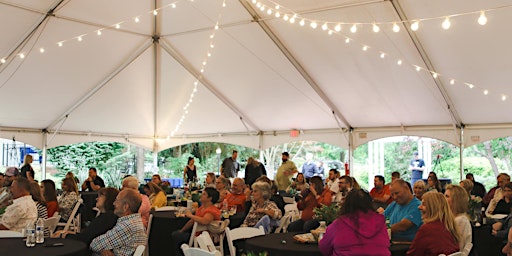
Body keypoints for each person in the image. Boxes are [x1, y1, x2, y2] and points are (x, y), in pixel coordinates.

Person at [320, 189, 390, 256]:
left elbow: (325, 249)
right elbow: (386, 244)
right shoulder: (380, 222)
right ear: (370, 203)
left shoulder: (338, 224)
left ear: (346, 204)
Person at [54, 187, 119, 246]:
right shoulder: (106, 216)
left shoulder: (106, 218)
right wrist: (69, 233)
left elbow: (85, 239)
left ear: (109, 198)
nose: (96, 199)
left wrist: (63, 235)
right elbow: (88, 235)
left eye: (100, 196)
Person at [90, 189, 146, 256]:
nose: (114, 203)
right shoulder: (135, 221)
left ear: (125, 207)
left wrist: (103, 248)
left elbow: (94, 245)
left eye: (117, 201)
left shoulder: (126, 226)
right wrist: (105, 249)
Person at [407, 191, 459, 256]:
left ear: (432, 208)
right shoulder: (449, 226)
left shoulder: (427, 229)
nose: (419, 207)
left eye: (423, 204)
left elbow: (413, 254)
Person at [171, 188, 221, 256]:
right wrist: (182, 230)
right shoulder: (202, 208)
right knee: (177, 234)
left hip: (204, 239)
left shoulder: (211, 210)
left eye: (204, 194)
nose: (201, 195)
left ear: (210, 198)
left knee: (176, 236)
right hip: (197, 235)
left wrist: (190, 215)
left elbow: (205, 221)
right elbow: (192, 221)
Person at [445, 184, 472, 256]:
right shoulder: (450, 218)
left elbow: (459, 248)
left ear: (456, 200)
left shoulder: (461, 220)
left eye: (447, 196)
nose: (444, 199)